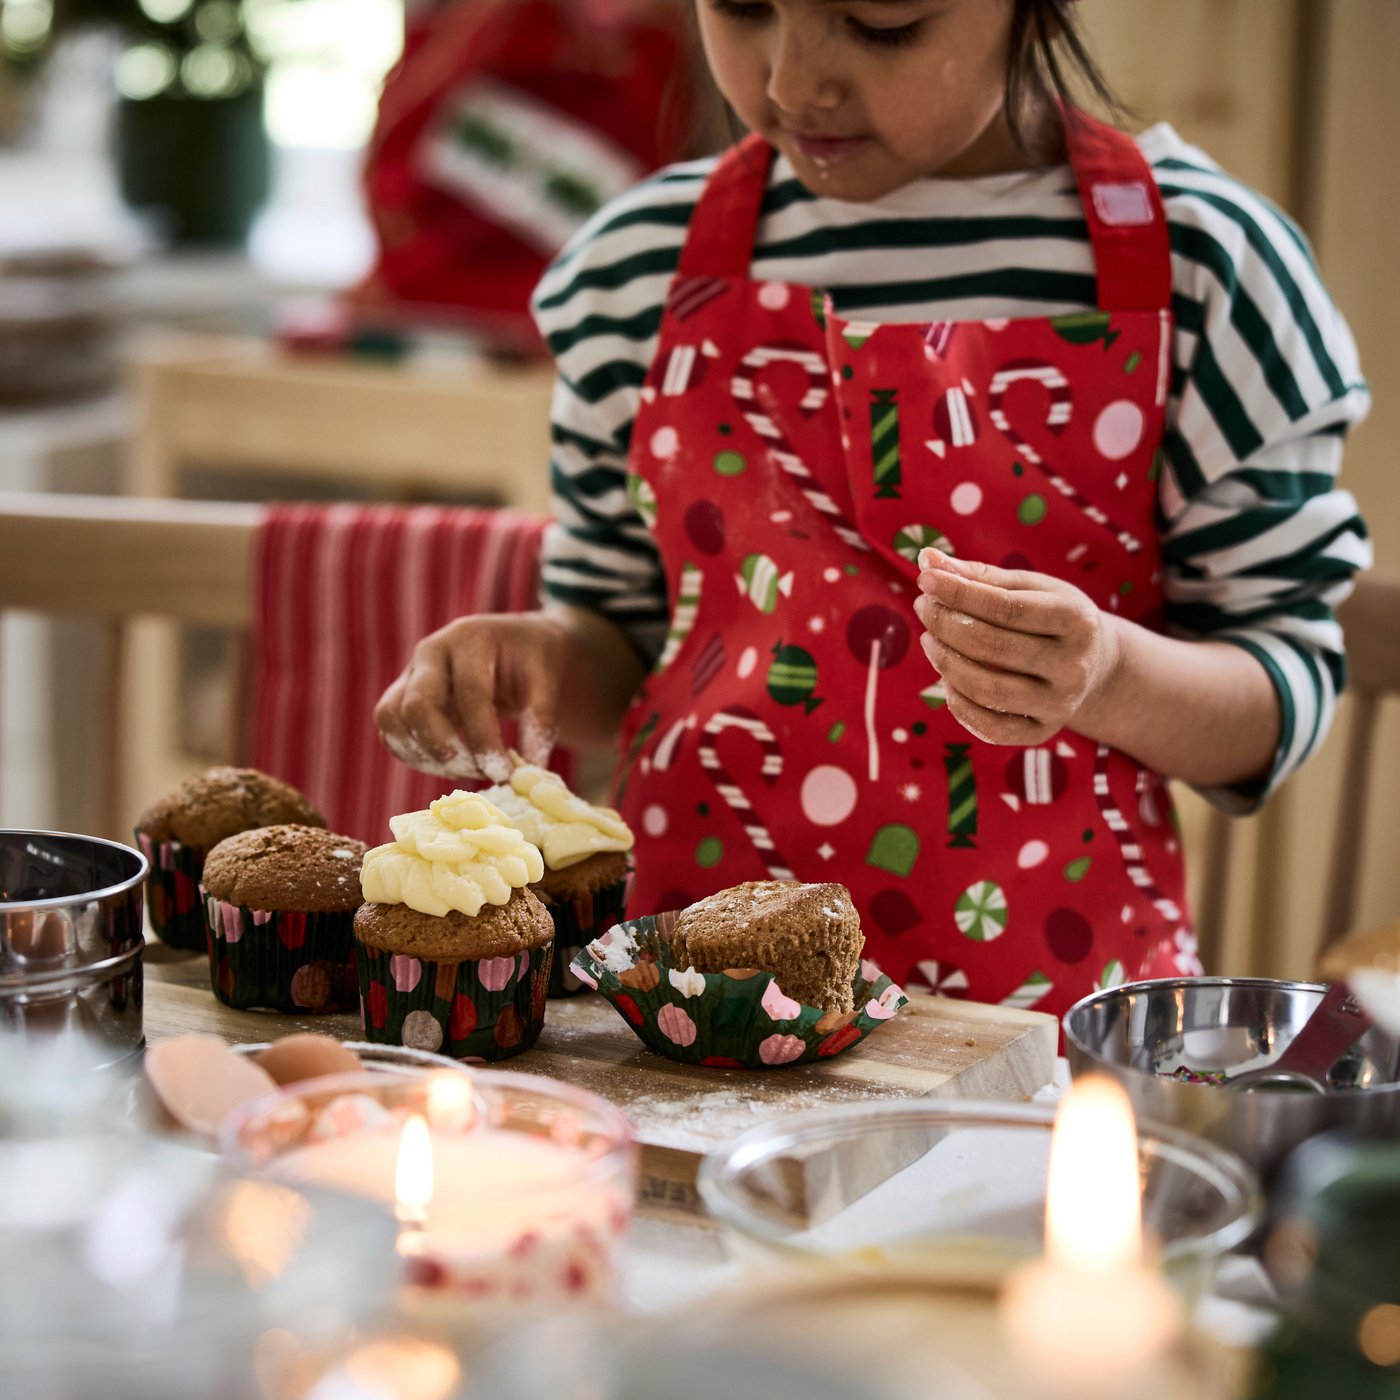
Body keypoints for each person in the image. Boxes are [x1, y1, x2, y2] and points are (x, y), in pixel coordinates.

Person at [375, 0, 1370, 1016]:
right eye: (743, 9)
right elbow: (620, 644)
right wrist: (534, 659)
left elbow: (1279, 685)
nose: (791, 82)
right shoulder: (635, 268)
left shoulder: (1201, 265)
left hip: (1040, 1030)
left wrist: (1107, 675)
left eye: (882, 23)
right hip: (691, 998)